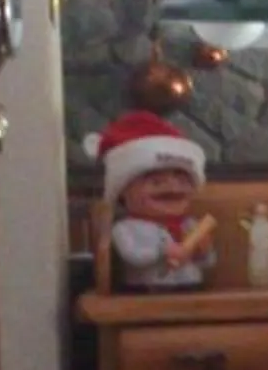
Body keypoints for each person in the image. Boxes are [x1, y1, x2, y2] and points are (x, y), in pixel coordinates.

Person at [90, 110, 215, 292]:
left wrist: (204, 251)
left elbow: (208, 263)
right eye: (156, 181)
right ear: (124, 191)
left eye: (181, 180)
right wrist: (162, 251)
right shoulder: (125, 228)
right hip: (146, 291)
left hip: (191, 289)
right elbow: (132, 254)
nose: (172, 188)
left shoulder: (190, 225)